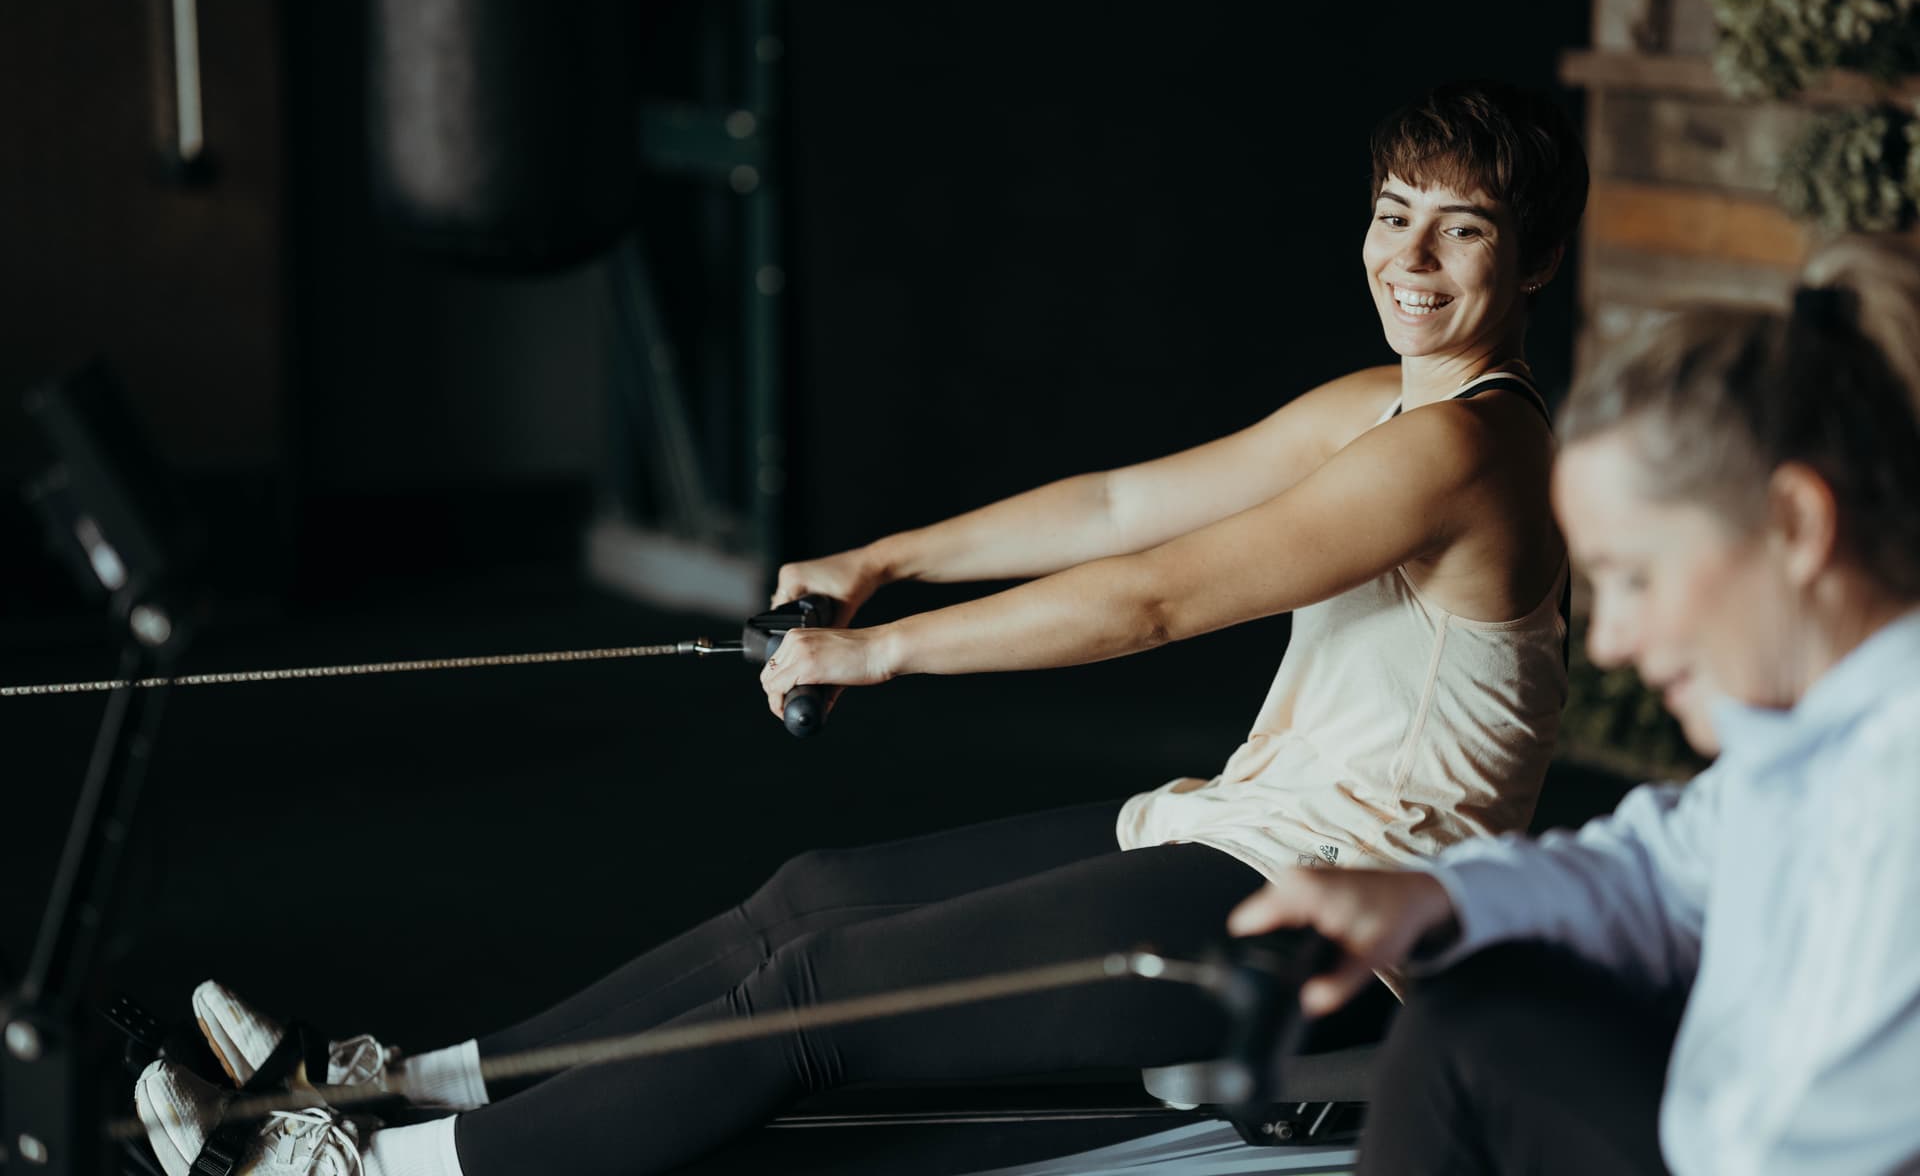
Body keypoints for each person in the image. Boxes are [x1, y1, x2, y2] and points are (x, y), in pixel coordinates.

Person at [132, 80, 1587, 1176]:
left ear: (1534, 263)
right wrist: (882, 563)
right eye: (1393, 212)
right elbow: (1121, 505)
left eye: (1462, 229)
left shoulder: (1462, 451)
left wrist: (880, 651)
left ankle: (370, 1172)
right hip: (1249, 826)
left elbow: (1155, 596)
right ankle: (387, 1084)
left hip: (1341, 929)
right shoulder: (1387, 404)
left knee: (809, 1002)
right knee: (806, 897)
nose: (1411, 256)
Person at [1229, 236, 1920, 1175]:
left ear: (1795, 523)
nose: (1609, 643)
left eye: (1635, 578)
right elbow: (1658, 872)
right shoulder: (1806, 745)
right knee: (1475, 1021)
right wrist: (1425, 895)